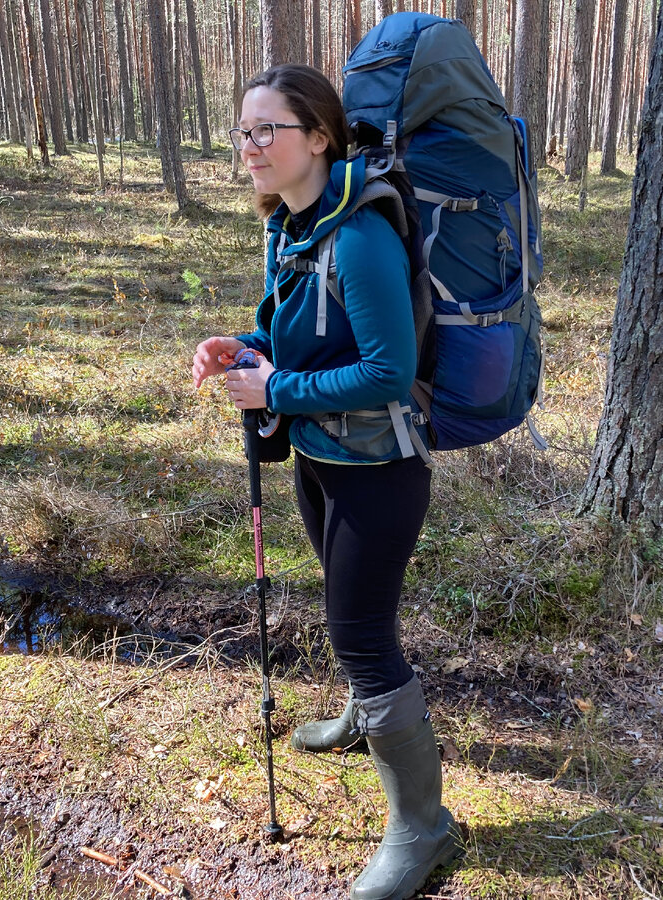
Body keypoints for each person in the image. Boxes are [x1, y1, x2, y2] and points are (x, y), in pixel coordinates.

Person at [191, 64, 458, 900]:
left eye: (268, 129)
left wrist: (275, 391)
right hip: (319, 458)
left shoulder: (363, 234)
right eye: (244, 130)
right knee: (354, 617)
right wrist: (238, 347)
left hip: (380, 470)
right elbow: (286, 332)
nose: (251, 147)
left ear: (319, 137)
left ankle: (424, 830)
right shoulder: (289, 227)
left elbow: (388, 370)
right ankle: (360, 716)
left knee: (362, 633)